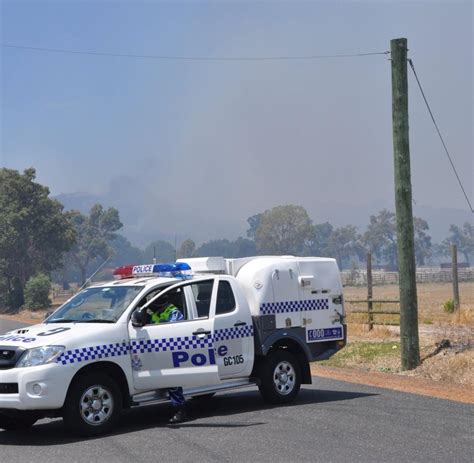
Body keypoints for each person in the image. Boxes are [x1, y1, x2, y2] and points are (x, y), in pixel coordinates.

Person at [149, 293, 188, 424]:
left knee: (173, 381)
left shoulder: (173, 312)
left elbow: (175, 331)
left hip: (172, 351)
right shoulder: (156, 313)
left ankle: (179, 410)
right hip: (157, 351)